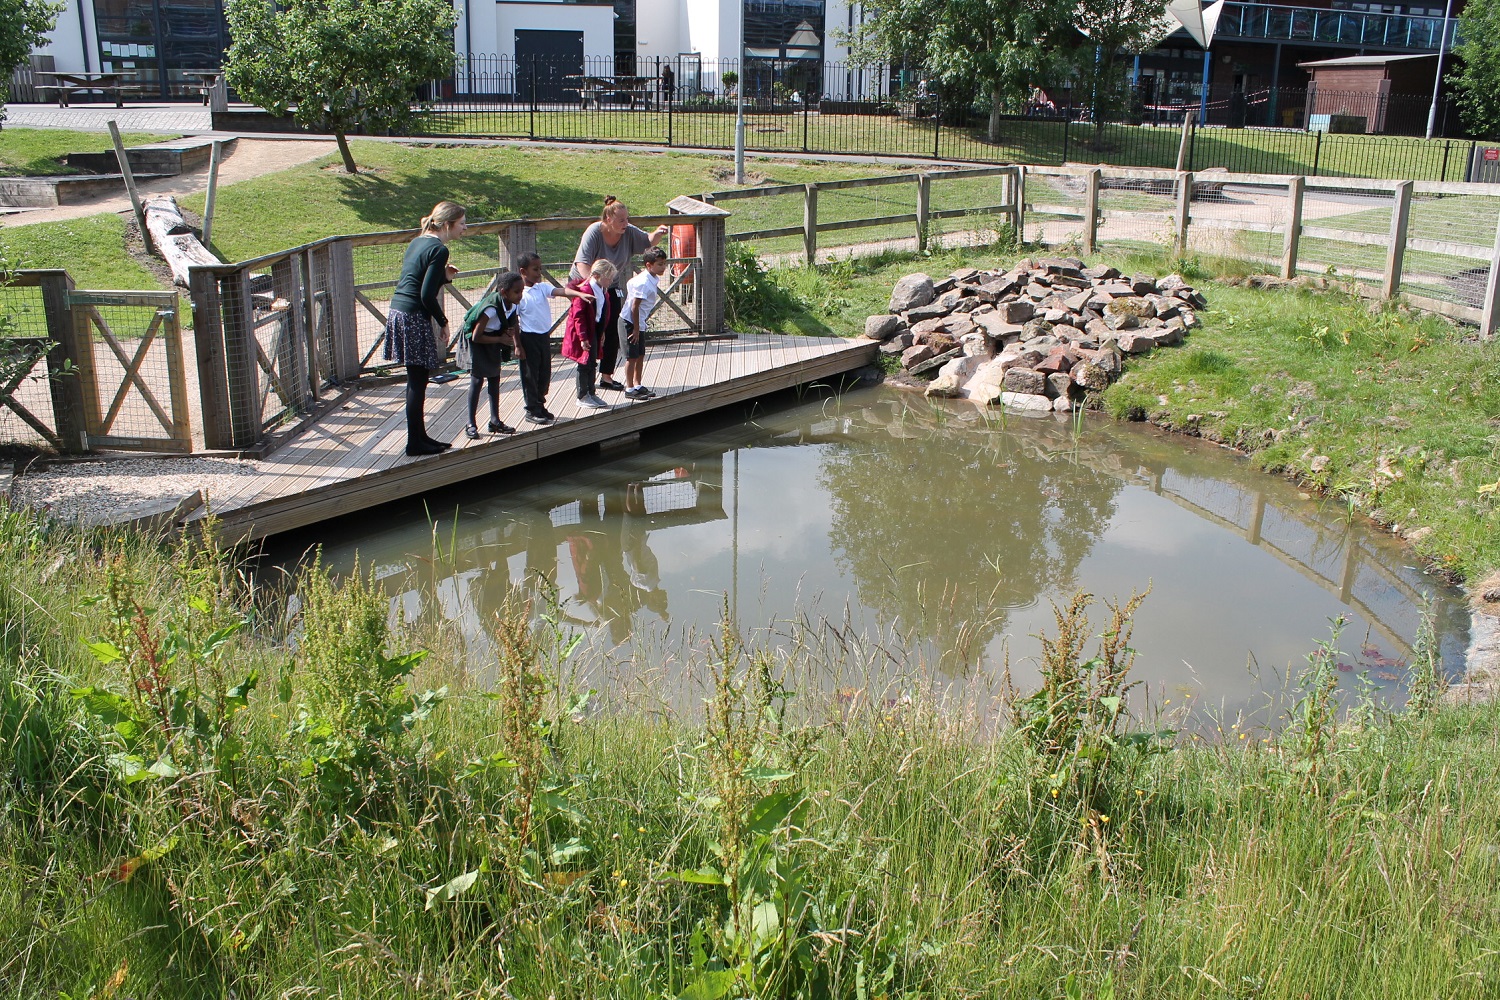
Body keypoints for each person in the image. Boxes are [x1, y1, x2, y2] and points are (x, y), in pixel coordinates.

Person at [384, 200, 464, 456]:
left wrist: (444, 276)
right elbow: (427, 295)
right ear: (448, 224)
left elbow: (420, 281)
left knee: (417, 379)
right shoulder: (439, 250)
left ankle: (420, 436)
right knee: (417, 382)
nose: (465, 228)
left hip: (399, 310)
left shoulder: (419, 241)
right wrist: (443, 321)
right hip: (412, 316)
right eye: (462, 224)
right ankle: (414, 443)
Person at [571, 197, 668, 392]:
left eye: (627, 219)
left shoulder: (629, 232)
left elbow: (647, 241)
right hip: (585, 284)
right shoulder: (594, 232)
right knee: (591, 330)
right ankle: (585, 385)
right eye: (621, 220)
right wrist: (592, 287)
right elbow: (582, 263)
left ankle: (606, 377)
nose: (626, 223)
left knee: (613, 329)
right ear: (608, 219)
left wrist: (657, 233)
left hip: (611, 285)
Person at [516, 250, 592, 425]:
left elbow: (560, 291)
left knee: (544, 373)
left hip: (543, 338)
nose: (539, 273)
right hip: (528, 339)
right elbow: (513, 320)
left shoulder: (542, 288)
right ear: (523, 271)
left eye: (540, 269)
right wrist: (517, 345)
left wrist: (578, 294)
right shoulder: (520, 294)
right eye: (535, 269)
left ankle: (540, 404)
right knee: (530, 375)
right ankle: (531, 409)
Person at [461, 270, 524, 438]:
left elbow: (514, 323)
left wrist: (516, 344)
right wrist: (500, 340)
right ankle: (470, 423)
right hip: (480, 342)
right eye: (516, 292)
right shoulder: (491, 309)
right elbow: (476, 336)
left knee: (494, 378)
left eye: (522, 291)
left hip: (495, 338)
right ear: (503, 292)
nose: (520, 295)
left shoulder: (513, 304)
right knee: (477, 380)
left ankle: (495, 421)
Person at [561, 258, 620, 410]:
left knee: (592, 361)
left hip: (595, 329)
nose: (611, 280)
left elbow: (603, 313)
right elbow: (578, 315)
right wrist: (582, 337)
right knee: (584, 362)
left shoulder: (602, 290)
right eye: (609, 277)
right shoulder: (585, 290)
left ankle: (591, 392)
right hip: (585, 332)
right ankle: (582, 395)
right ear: (597, 275)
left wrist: (602, 332)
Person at [620, 246, 668, 400]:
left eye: (664, 263)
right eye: (660, 264)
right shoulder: (642, 282)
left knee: (640, 354)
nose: (664, 267)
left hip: (638, 323)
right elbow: (634, 307)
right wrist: (635, 328)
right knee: (631, 356)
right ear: (649, 265)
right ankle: (629, 388)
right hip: (629, 322)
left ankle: (637, 384)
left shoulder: (652, 278)